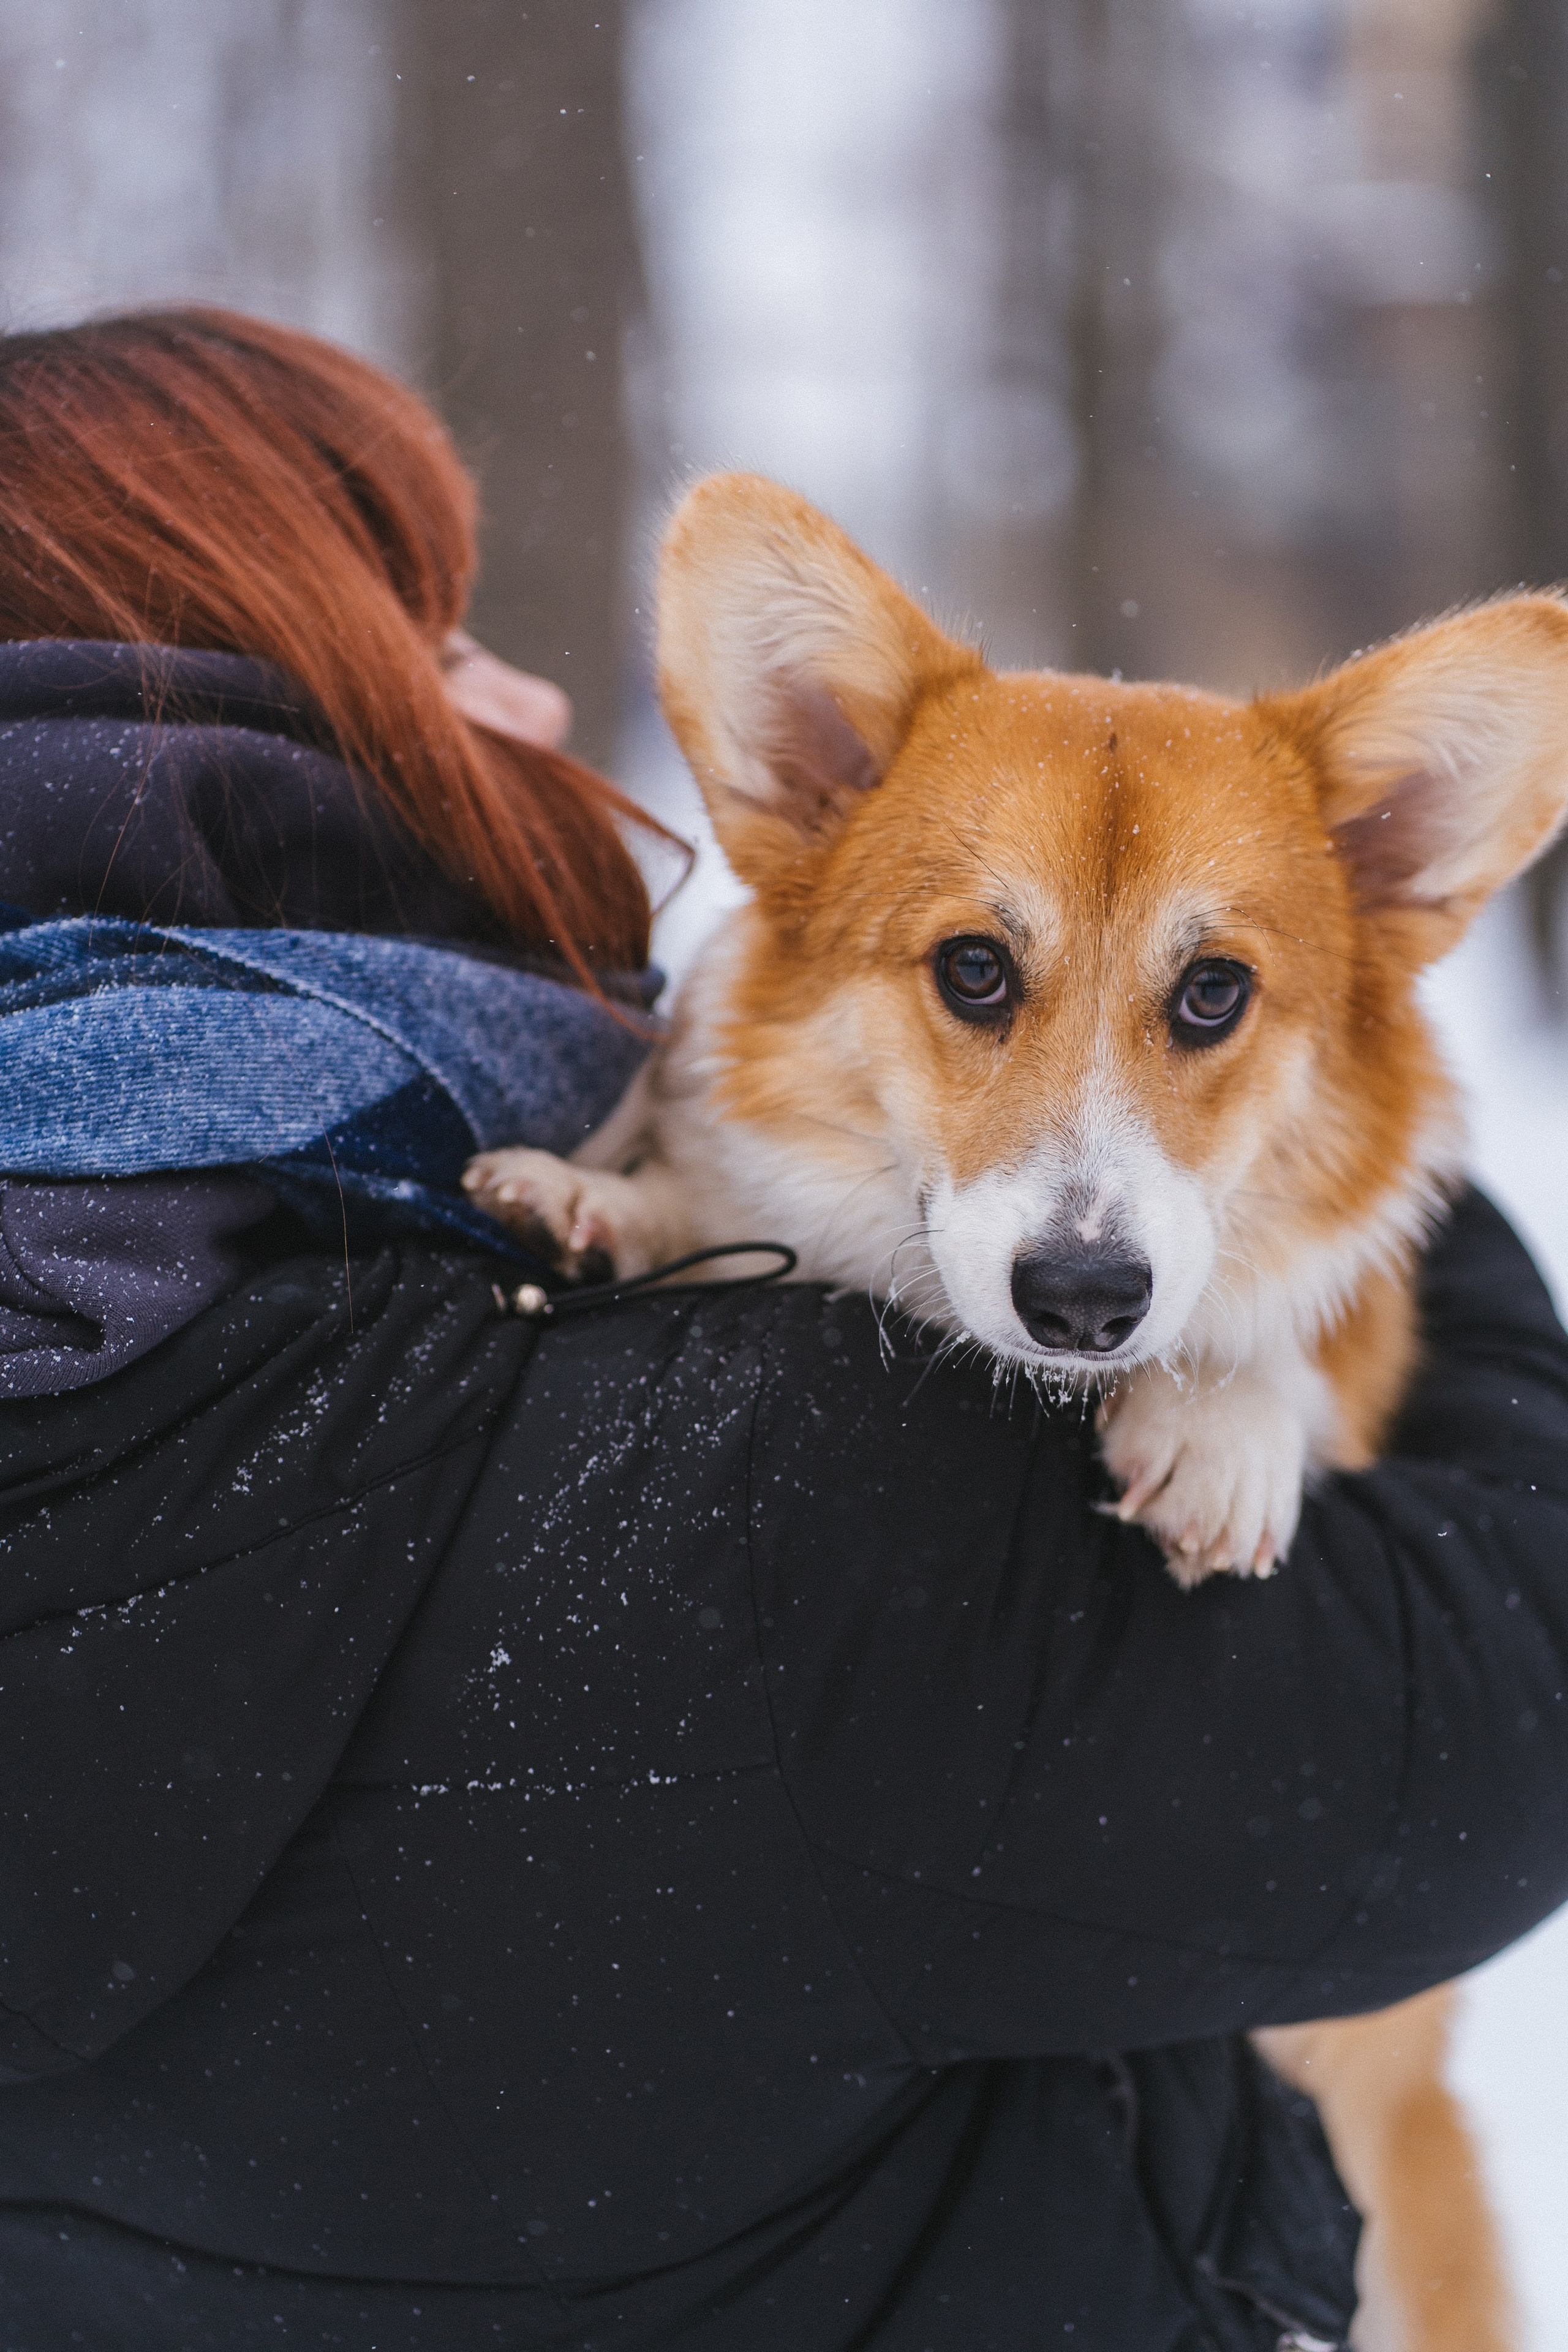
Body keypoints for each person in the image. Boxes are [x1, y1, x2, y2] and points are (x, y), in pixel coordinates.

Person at [0, 307, 1563, 2352]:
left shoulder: (225, 1246)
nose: (537, 687)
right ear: (233, 718)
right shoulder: (789, 1502)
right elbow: (1494, 1728)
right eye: (443, 641)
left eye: (1208, 1000)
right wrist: (1440, 1256)